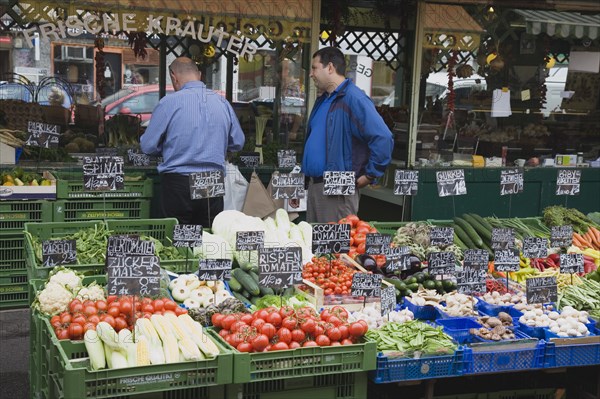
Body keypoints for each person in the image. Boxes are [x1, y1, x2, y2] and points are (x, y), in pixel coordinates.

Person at [140, 57, 245, 227]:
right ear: (200, 74)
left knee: (177, 242)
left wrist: (168, 147)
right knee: (209, 237)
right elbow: (238, 142)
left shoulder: (168, 103)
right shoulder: (222, 103)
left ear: (174, 77)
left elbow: (148, 146)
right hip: (211, 181)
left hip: (179, 183)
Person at [301, 47, 393, 223]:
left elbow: (383, 137)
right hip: (315, 188)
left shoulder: (354, 98)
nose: (311, 74)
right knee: (316, 248)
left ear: (330, 67)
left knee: (337, 249)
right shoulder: (323, 99)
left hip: (337, 193)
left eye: (314, 68)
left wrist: (370, 175)